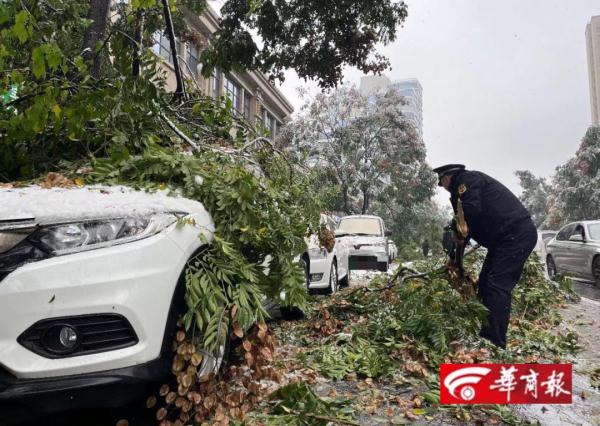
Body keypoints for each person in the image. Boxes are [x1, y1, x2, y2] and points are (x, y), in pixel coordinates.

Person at [433, 164, 537, 349]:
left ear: (447, 177)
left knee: (496, 285)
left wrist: (457, 235)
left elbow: (469, 216)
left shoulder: (468, 182)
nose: (442, 186)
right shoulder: (462, 189)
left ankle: (494, 343)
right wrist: (456, 262)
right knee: (485, 283)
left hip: (515, 235)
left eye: (441, 182)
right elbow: (464, 231)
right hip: (503, 240)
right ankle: (485, 333)